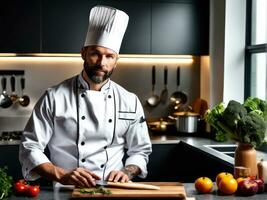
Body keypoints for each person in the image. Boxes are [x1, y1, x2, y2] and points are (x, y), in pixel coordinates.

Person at [19, 5, 152, 188]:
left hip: (114, 191)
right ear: (83, 53)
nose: (101, 63)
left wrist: (126, 171)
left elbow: (141, 150)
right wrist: (62, 175)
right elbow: (30, 147)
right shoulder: (54, 97)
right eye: (95, 54)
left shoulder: (129, 100)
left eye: (109, 56)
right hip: (66, 190)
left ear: (116, 61)